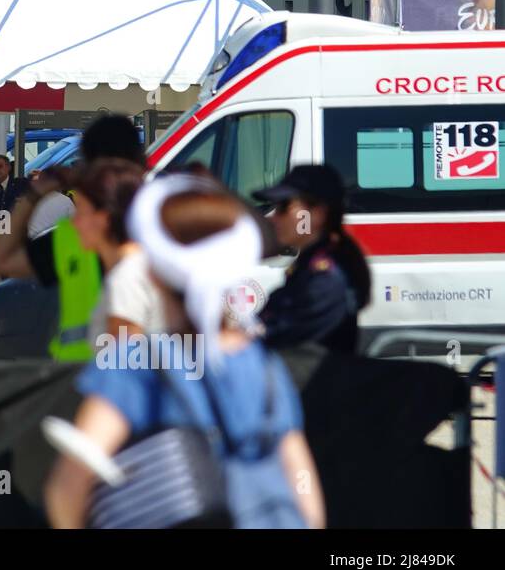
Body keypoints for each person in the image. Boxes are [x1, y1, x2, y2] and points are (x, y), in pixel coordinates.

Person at [44, 174, 324, 530]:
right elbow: (304, 490)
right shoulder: (265, 366)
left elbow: (68, 485)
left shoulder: (134, 362)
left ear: (158, 272)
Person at [0, 114, 146, 360]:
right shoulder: (165, 225)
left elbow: (0, 259)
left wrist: (35, 195)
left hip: (80, 379)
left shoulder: (72, 234)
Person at [253, 164, 371, 355]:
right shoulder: (308, 265)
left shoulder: (325, 278)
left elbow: (280, 337)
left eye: (284, 207)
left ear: (316, 215)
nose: (273, 218)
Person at [68, 159, 168, 347]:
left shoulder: (125, 280)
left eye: (80, 212)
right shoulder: (139, 267)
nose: (73, 223)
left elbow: (122, 368)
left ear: (104, 218)